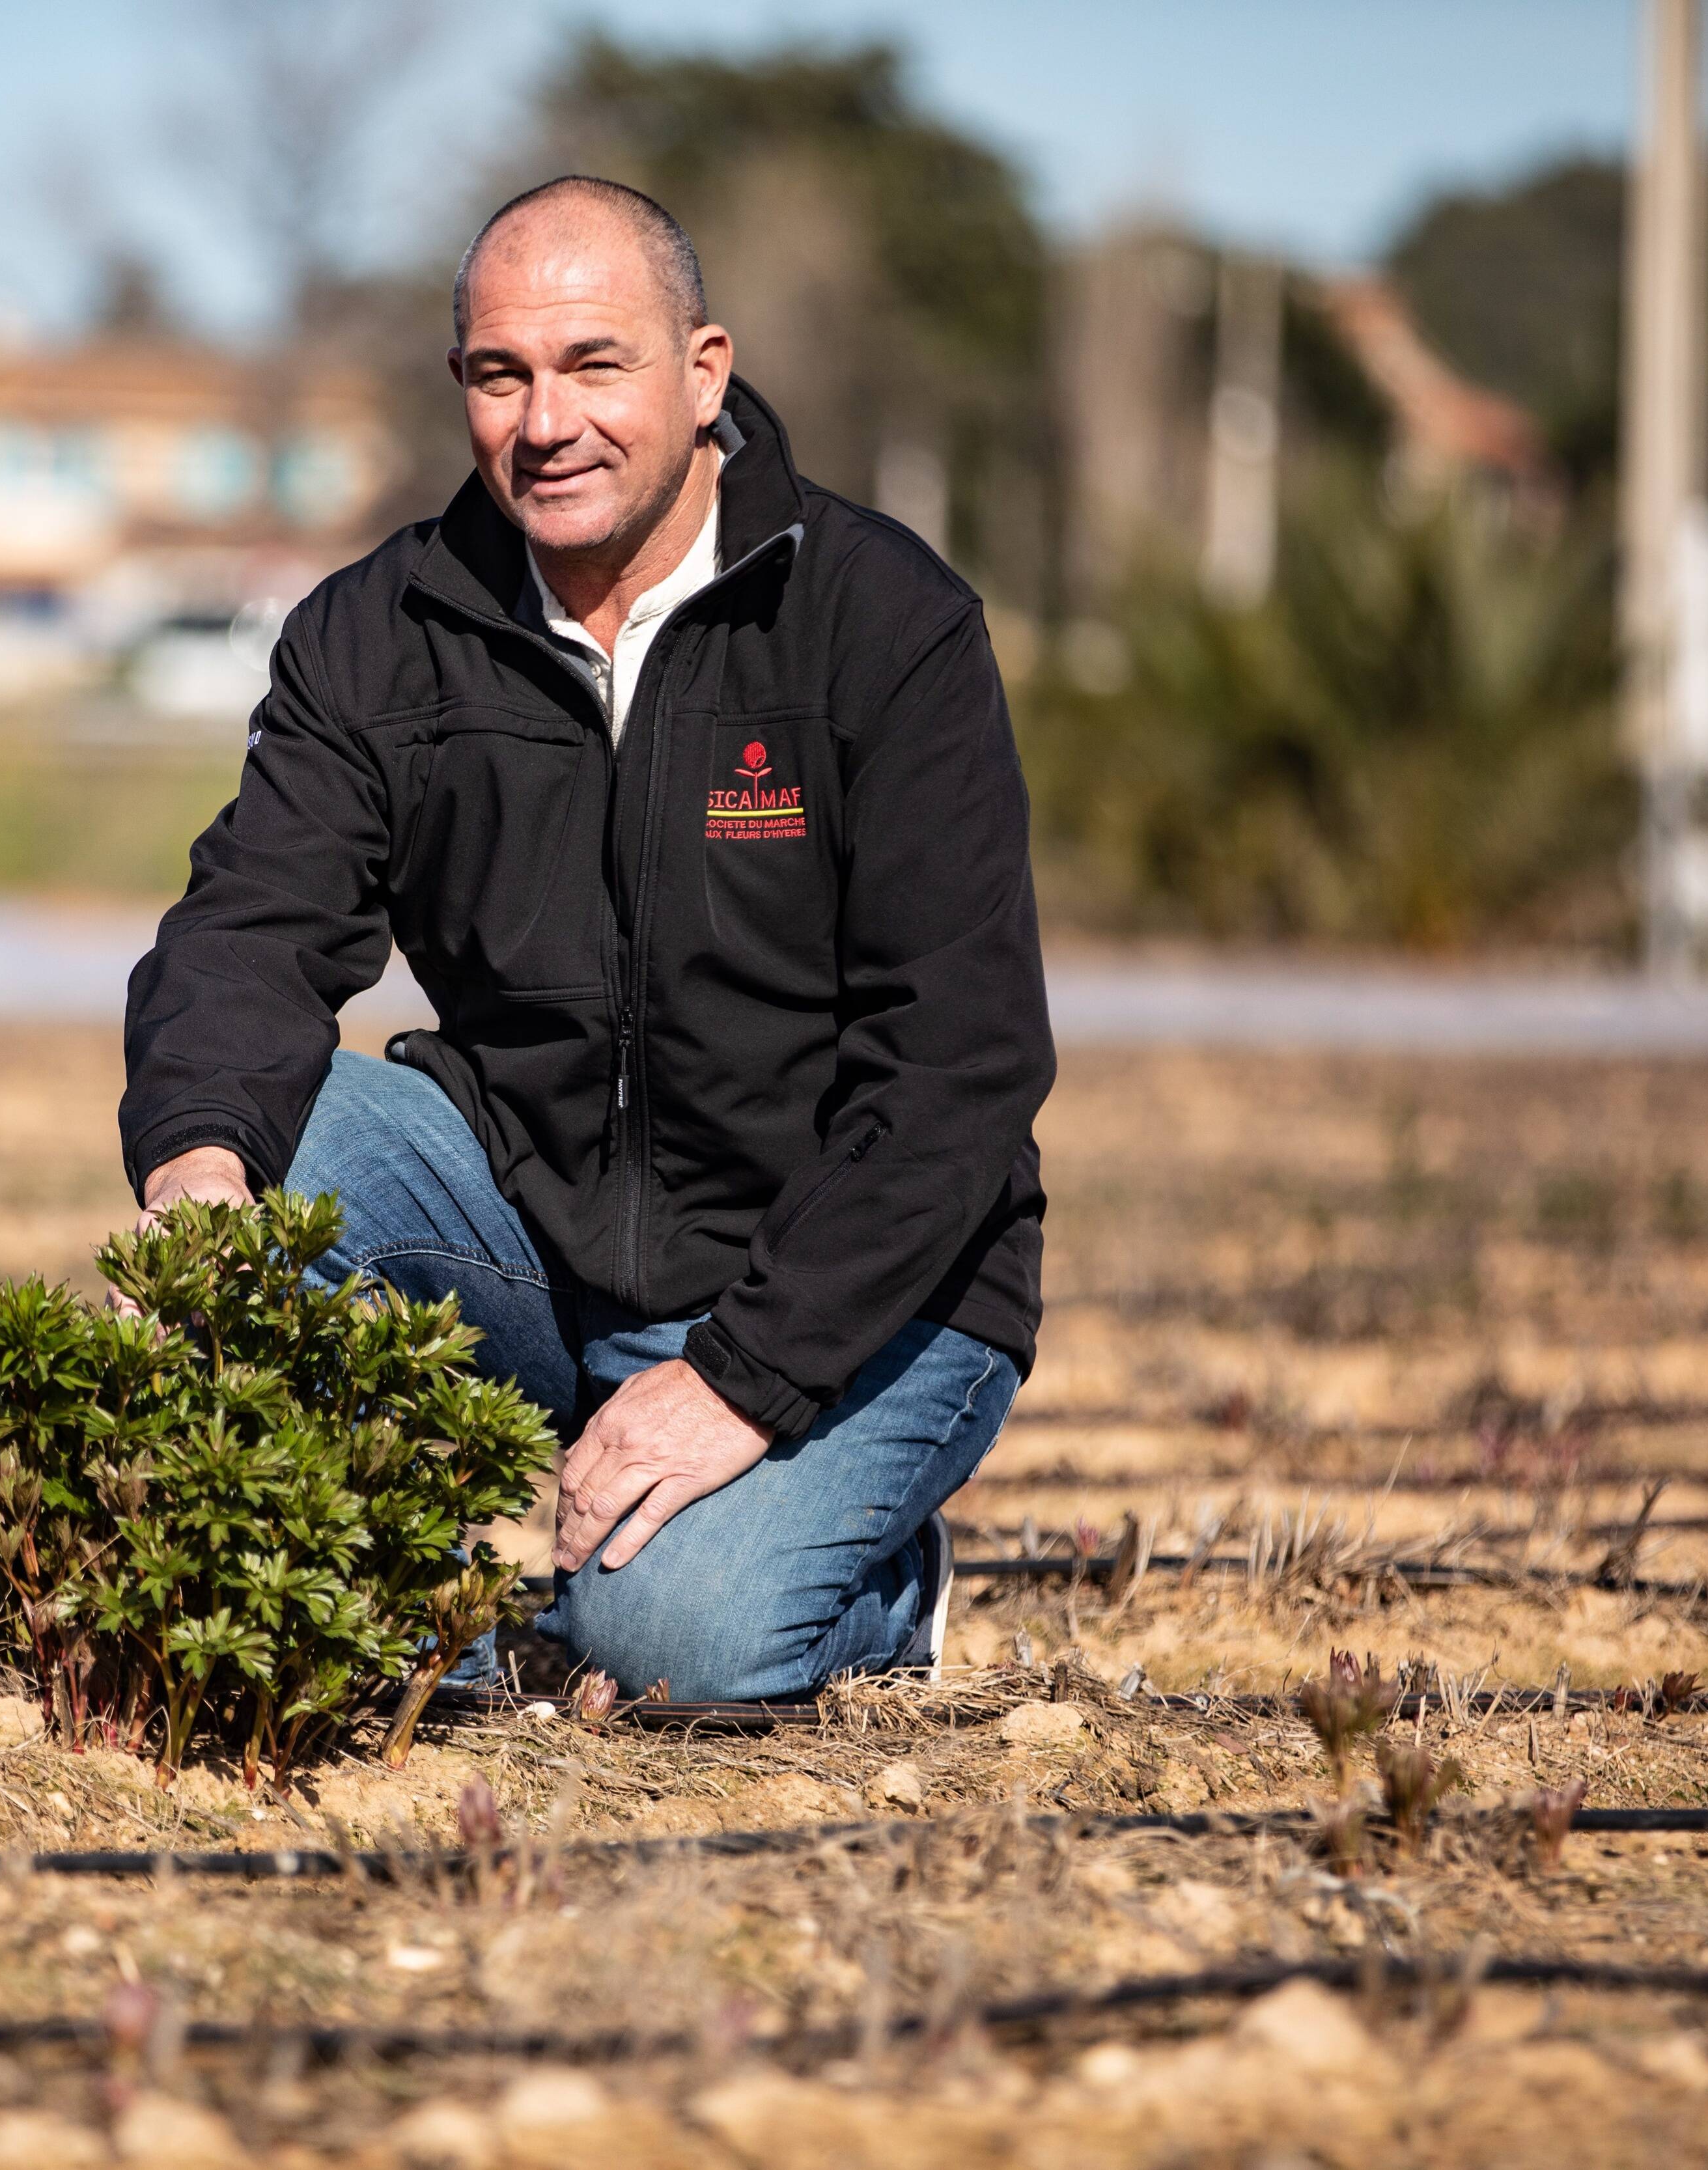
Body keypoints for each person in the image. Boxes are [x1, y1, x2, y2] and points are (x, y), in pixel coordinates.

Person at [119, 176, 1054, 1703]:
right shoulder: (376, 632)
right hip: (538, 1239)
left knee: (674, 1648)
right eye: (502, 375)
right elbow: (247, 932)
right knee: (280, 1139)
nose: (545, 421)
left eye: (594, 364)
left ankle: (871, 1580)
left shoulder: (882, 623)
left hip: (856, 1279)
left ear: (703, 373)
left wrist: (739, 1380)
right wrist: (200, 1168)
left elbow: (960, 1061)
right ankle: (455, 1620)